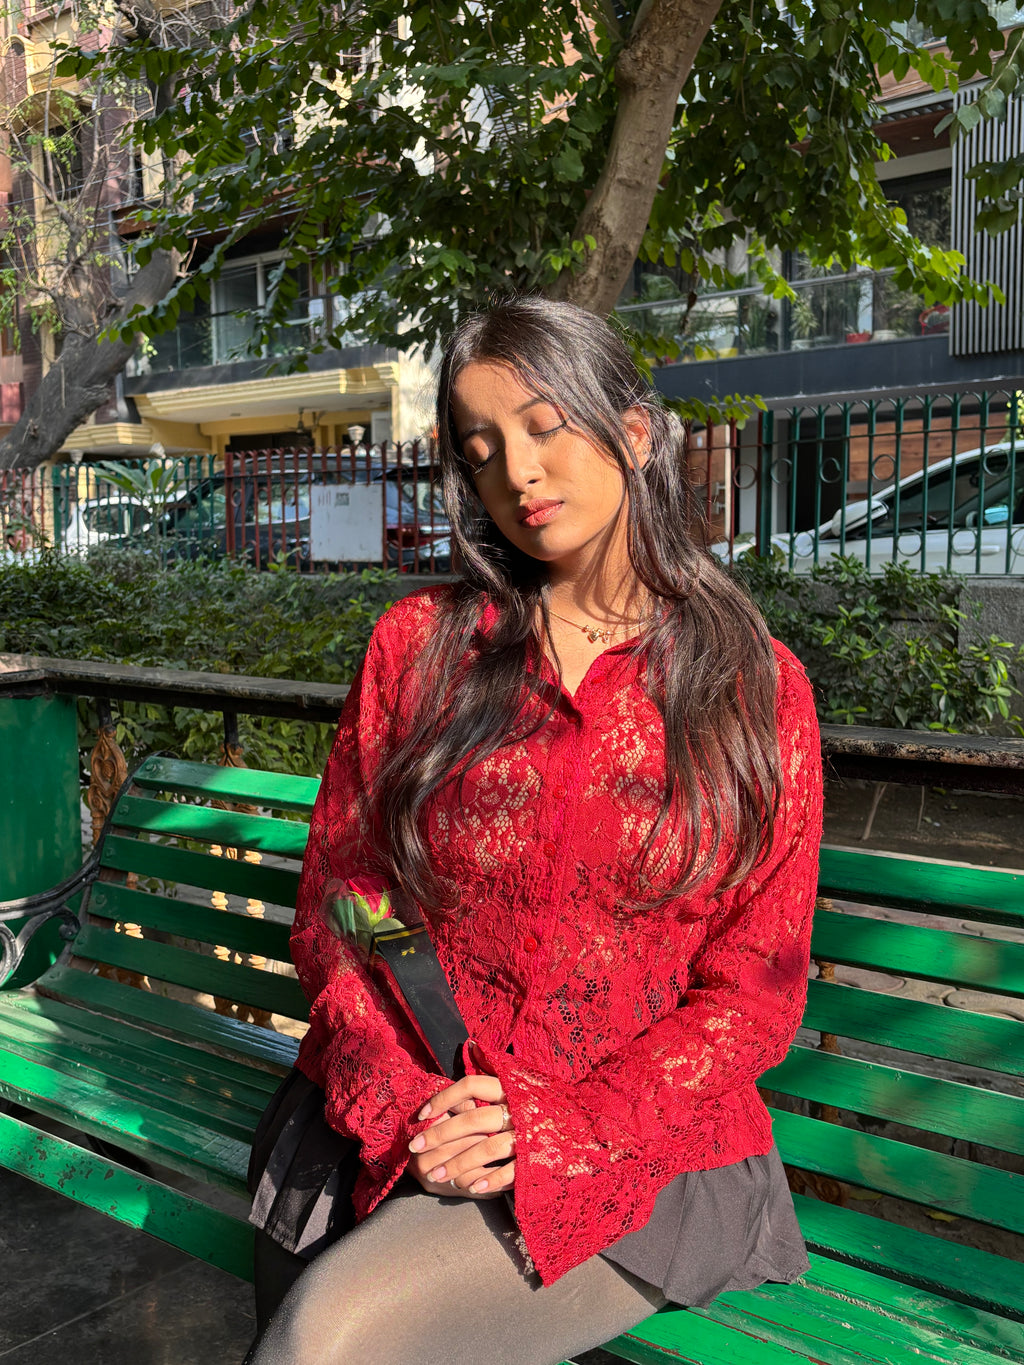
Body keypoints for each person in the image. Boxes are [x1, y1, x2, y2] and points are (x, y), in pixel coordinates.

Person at [245, 298, 823, 1365]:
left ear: (633, 433)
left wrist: (558, 1122)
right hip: (410, 1104)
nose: (516, 472)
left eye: (544, 425)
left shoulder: (750, 686)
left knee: (325, 1337)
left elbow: (753, 990)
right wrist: (410, 1098)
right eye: (480, 452)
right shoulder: (421, 649)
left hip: (643, 1145)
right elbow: (355, 898)